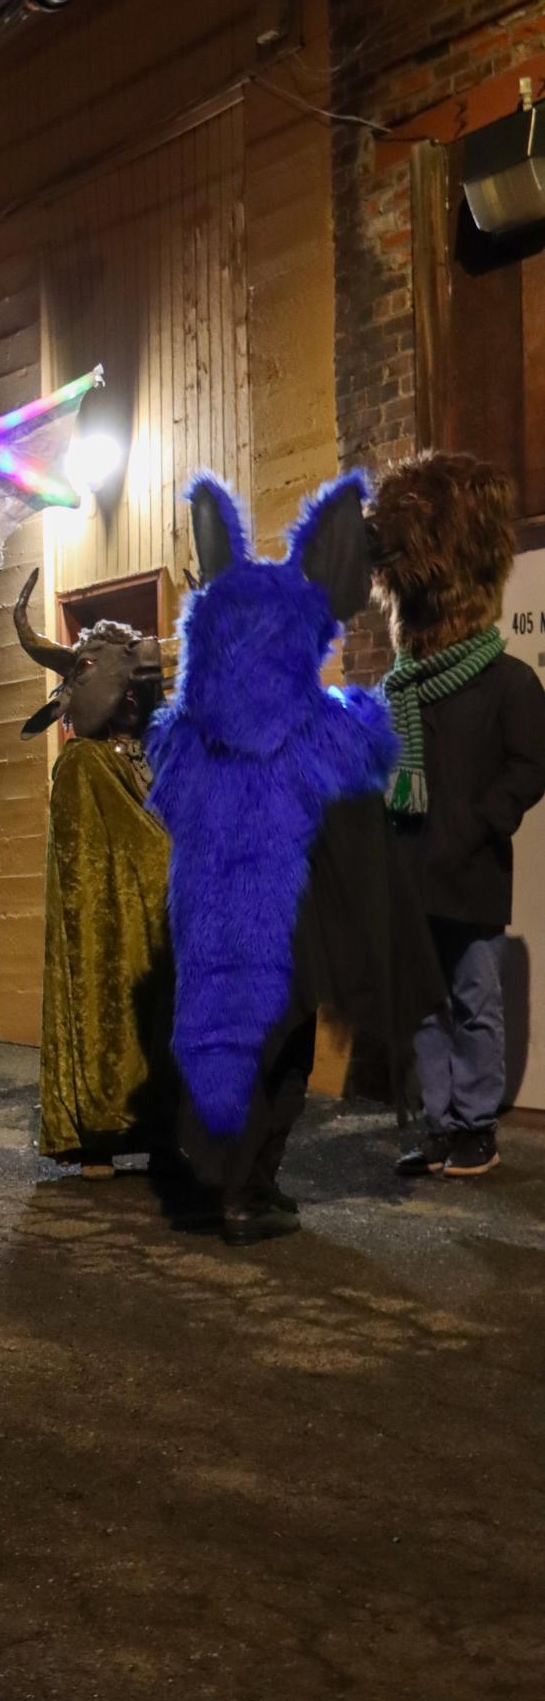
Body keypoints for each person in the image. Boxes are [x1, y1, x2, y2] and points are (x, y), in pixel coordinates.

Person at [147, 473, 443, 1245]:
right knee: (281, 1053)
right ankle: (251, 1192)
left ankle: (229, 1184)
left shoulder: (189, 738)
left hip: (212, 930)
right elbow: (365, 781)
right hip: (286, 937)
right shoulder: (322, 732)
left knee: (228, 1045)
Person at [368, 453, 545, 1179]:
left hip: (468, 873)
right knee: (424, 1006)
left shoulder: (508, 680)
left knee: (474, 1000)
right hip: (411, 875)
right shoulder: (402, 687)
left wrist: (482, 821)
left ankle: (476, 1125)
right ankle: (441, 1123)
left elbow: (531, 765)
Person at [10, 571, 181, 1180]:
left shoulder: (163, 752)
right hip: (105, 933)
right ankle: (100, 1136)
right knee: (108, 1003)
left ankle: (164, 1128)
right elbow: (85, 866)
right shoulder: (81, 765)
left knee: (164, 1011)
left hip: (165, 922)